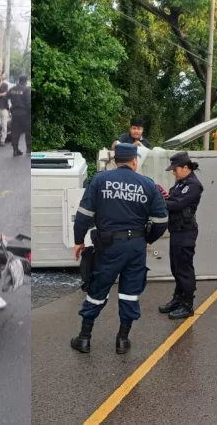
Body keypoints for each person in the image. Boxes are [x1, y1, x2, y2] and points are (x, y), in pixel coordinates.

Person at [70, 143, 168, 354]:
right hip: (135, 247)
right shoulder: (148, 184)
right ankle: (122, 340)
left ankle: (84, 338)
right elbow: (161, 220)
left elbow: (83, 216)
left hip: (108, 246)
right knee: (130, 293)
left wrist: (79, 240)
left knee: (97, 289)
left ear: (115, 160)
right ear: (134, 161)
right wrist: (147, 239)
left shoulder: (99, 180)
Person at [158, 151, 204, 320]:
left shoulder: (193, 185)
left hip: (186, 231)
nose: (174, 172)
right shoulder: (180, 183)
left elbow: (178, 204)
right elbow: (173, 198)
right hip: (176, 230)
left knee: (184, 269)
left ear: (186, 167)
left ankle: (187, 305)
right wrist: (165, 196)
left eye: (175, 169)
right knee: (176, 268)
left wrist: (159, 201)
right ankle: (178, 299)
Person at [6, 74, 31, 156]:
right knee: (28, 131)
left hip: (15, 113)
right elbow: (28, 103)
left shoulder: (12, 89)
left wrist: (8, 108)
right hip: (25, 113)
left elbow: (5, 98)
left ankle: (15, 149)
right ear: (25, 81)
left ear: (18, 80)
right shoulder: (27, 89)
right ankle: (28, 149)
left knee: (15, 132)